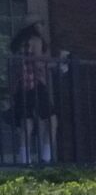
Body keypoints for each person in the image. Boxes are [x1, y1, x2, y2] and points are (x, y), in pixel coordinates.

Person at [8, 23, 56, 164]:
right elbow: (38, 63)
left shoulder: (18, 43)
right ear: (34, 26)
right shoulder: (35, 40)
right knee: (52, 120)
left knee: (26, 123)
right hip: (35, 84)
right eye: (40, 23)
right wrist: (57, 63)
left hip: (20, 86)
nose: (42, 26)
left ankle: (25, 160)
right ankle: (46, 158)